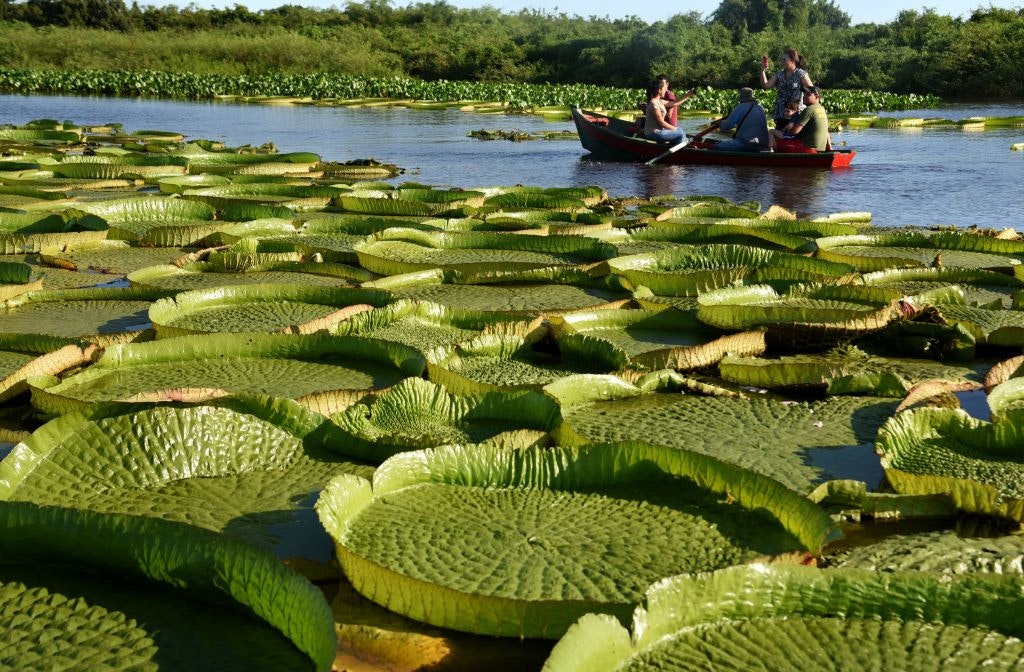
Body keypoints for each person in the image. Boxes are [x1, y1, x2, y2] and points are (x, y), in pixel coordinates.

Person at [759, 48, 814, 130]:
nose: (781, 62)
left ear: (792, 60)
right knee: (780, 138)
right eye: (781, 60)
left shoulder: (801, 74)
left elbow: (812, 91)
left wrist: (802, 109)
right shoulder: (779, 74)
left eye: (784, 60)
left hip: (795, 115)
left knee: (791, 139)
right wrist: (762, 70)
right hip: (781, 114)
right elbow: (766, 85)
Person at [774, 86, 832, 152]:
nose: (804, 96)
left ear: (816, 96)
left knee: (775, 143)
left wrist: (784, 131)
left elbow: (795, 131)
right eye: (804, 94)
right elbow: (826, 131)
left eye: (808, 94)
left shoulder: (809, 110)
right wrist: (829, 148)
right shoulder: (822, 109)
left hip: (807, 149)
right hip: (820, 149)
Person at [709, 87, 769, 152]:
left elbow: (728, 125)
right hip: (762, 144)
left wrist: (720, 123)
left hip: (747, 143)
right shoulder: (760, 108)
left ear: (741, 99)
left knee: (717, 147)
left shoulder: (740, 107)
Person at [643, 79, 685, 145]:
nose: (665, 91)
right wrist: (675, 129)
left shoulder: (660, 101)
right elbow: (661, 123)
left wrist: (688, 94)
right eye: (663, 89)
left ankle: (672, 148)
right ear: (659, 90)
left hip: (659, 131)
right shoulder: (653, 103)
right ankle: (679, 152)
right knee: (681, 132)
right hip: (653, 133)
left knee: (680, 131)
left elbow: (675, 103)